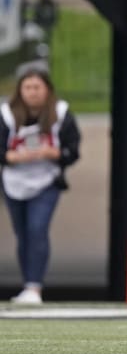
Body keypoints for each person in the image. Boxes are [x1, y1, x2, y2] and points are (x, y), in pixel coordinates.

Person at [0, 68, 81, 304]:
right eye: (28, 87)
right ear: (20, 91)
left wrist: (53, 153)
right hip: (14, 182)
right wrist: (13, 158)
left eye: (37, 87)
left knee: (37, 229)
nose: (33, 92)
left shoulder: (61, 113)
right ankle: (27, 284)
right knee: (22, 234)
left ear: (47, 90)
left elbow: (72, 151)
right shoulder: (6, 114)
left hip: (46, 180)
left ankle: (34, 287)